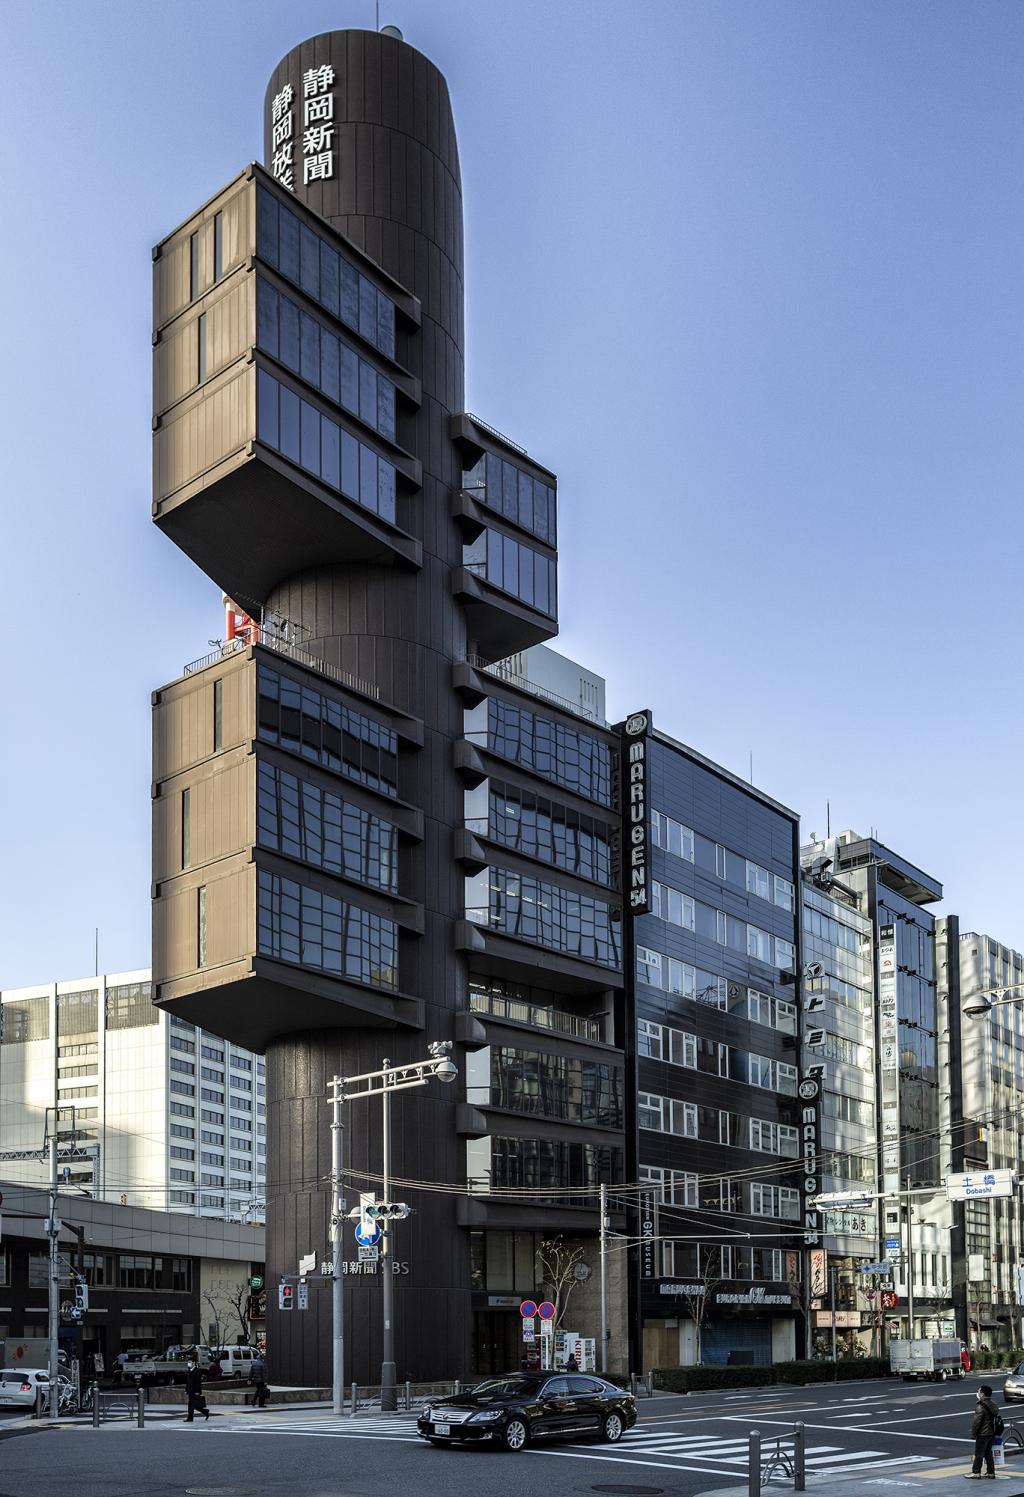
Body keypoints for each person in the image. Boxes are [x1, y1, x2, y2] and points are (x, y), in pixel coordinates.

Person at [968, 1383, 1001, 1478]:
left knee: (979, 1453)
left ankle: (976, 1472)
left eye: (979, 1391)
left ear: (982, 1394)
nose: (978, 1393)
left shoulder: (980, 1405)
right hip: (992, 1432)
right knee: (988, 1453)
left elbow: (977, 1422)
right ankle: (991, 1472)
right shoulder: (993, 1404)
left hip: (983, 1432)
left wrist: (973, 1434)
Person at [184, 1358, 210, 1423]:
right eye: (188, 1362)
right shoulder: (189, 1370)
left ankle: (190, 1418)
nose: (189, 1363)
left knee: (192, 1405)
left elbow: (198, 1382)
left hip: (195, 1391)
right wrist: (186, 1390)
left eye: (190, 1362)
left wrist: (197, 1391)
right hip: (190, 1390)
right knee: (194, 1405)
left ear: (194, 1363)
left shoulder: (197, 1371)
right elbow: (188, 1382)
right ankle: (205, 1412)